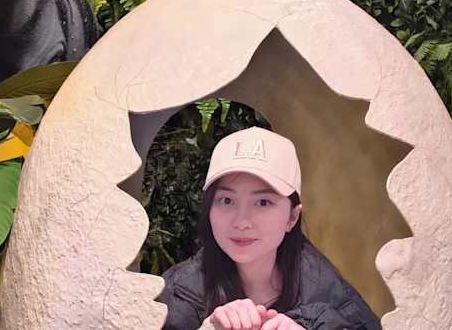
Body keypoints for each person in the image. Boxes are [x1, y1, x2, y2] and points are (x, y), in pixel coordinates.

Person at [159, 127, 381, 330]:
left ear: (292, 217)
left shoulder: (328, 293)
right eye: (226, 200)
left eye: (263, 202)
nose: (241, 221)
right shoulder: (176, 295)